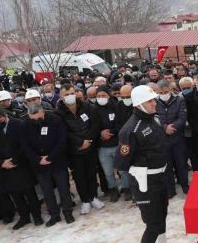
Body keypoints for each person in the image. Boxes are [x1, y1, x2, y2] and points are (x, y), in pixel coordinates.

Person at [114, 85, 184, 243]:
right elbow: (121, 162)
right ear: (139, 104)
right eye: (150, 101)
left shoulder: (154, 118)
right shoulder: (130, 129)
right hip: (144, 180)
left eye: (154, 100)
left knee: (162, 214)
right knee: (152, 223)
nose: (155, 103)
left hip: (160, 176)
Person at [0, 106, 43, 229]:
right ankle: (24, 217)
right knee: (15, 195)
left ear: (5, 116)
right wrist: (1, 163)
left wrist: (15, 160)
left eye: (0, 121)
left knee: (30, 193)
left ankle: (37, 216)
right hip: (4, 168)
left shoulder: (19, 124)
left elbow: (25, 144)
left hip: (22, 165)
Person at [21, 104, 74, 226]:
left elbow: (61, 141)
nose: (35, 121)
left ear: (42, 112)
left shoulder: (55, 120)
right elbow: (25, 145)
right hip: (39, 164)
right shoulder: (25, 124)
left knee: (63, 189)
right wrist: (38, 159)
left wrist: (50, 157)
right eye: (32, 118)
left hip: (57, 161)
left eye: (38, 118)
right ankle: (54, 215)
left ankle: (68, 212)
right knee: (47, 192)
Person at [55, 85, 104, 215]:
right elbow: (64, 131)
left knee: (91, 173)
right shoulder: (58, 112)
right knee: (79, 176)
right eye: (66, 94)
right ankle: (85, 200)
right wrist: (80, 142)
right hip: (74, 151)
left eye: (71, 93)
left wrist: (88, 141)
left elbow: (95, 124)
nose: (69, 96)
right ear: (61, 96)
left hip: (90, 147)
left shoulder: (87, 107)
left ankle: (93, 197)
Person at [93, 86, 127, 202]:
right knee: (108, 171)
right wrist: (100, 133)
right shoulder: (93, 109)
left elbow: (120, 123)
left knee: (122, 169)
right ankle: (113, 189)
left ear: (109, 96)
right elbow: (92, 126)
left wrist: (111, 132)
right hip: (102, 147)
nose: (101, 98)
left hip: (117, 143)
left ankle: (127, 188)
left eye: (103, 95)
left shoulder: (116, 107)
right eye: (98, 96)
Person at [155, 80, 189, 197]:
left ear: (170, 90)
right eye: (161, 92)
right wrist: (165, 128)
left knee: (181, 163)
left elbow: (182, 117)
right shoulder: (154, 102)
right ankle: (170, 189)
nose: (164, 94)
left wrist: (172, 127)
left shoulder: (179, 100)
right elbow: (155, 118)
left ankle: (185, 185)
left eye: (166, 91)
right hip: (163, 139)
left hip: (177, 137)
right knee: (167, 166)